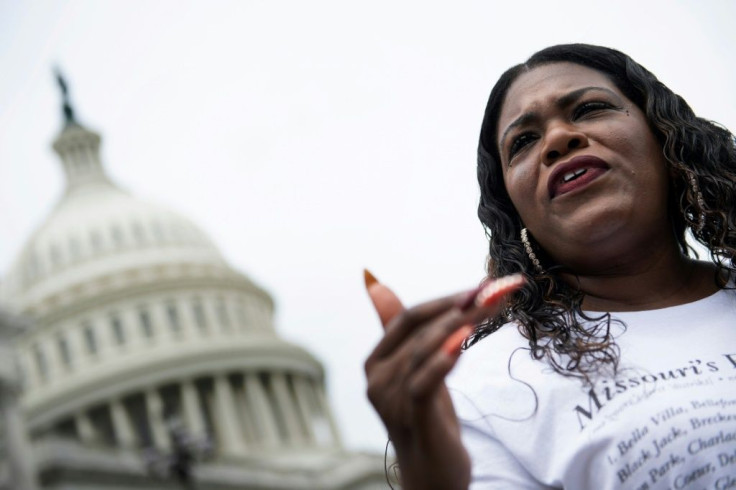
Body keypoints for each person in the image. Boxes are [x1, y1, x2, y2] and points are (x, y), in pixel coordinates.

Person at [364, 44, 736, 490]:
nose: (558, 139)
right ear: (515, 210)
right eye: (523, 142)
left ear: (665, 139)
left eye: (590, 108)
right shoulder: (485, 387)